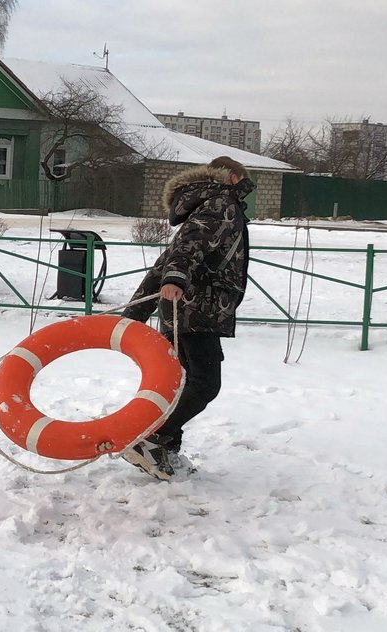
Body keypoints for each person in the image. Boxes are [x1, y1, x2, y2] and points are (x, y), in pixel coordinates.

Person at [121, 156, 255, 480]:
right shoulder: (221, 202)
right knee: (206, 383)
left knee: (182, 382)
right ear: (232, 177)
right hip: (197, 308)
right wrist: (176, 279)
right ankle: (152, 439)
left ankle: (164, 449)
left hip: (185, 307)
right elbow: (186, 250)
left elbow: (165, 259)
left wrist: (136, 310)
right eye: (243, 179)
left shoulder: (208, 203)